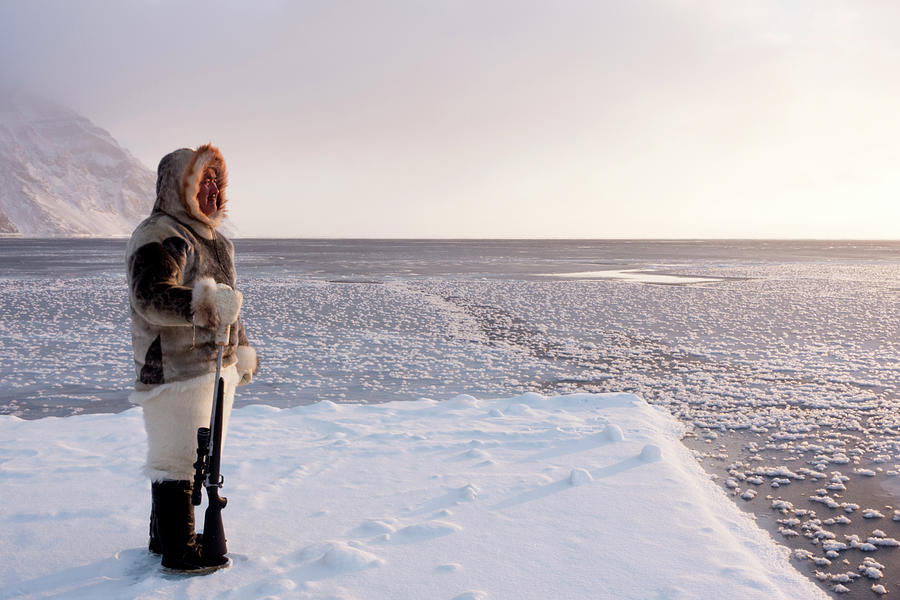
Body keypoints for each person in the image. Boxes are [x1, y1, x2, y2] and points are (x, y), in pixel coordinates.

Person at [125, 144, 258, 573]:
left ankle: (162, 536)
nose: (213, 189)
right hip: (173, 368)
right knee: (176, 458)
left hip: (215, 369)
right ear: (179, 187)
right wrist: (205, 305)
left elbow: (228, 304)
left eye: (217, 181)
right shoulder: (161, 233)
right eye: (203, 180)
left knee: (196, 457)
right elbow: (151, 296)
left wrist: (240, 346)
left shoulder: (218, 242)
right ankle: (180, 553)